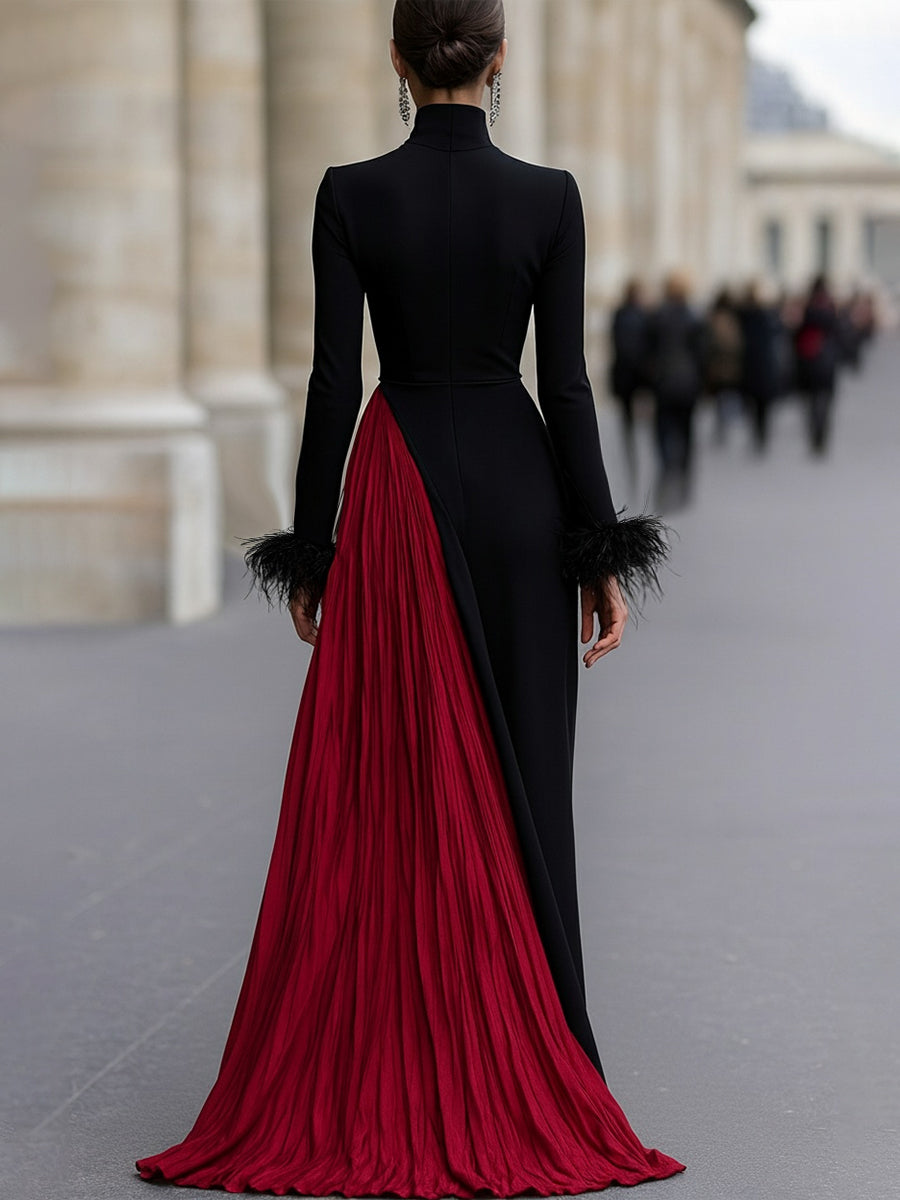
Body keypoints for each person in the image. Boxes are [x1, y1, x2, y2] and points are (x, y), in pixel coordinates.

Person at [134, 2, 684, 1194]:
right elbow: (573, 388)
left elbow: (336, 379)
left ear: (395, 61)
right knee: (533, 782)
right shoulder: (550, 197)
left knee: (391, 778)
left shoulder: (348, 193)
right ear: (499, 60)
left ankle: (396, 1038)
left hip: (397, 490)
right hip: (519, 481)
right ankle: (559, 1061)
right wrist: (597, 549)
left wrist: (314, 546)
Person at [645, 270, 705, 510]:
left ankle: (668, 465)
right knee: (686, 430)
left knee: (663, 428)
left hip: (664, 382)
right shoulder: (694, 318)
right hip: (688, 383)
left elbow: (647, 353)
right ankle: (683, 473)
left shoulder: (657, 318)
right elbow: (702, 354)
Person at [608, 277, 649, 488]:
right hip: (637, 376)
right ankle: (635, 458)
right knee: (639, 416)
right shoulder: (643, 315)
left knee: (628, 420)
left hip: (623, 375)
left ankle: (631, 453)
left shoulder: (619, 314)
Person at [794, 274, 841, 455]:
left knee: (813, 403)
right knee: (825, 403)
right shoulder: (830, 309)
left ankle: (815, 436)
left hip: (810, 363)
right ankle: (822, 437)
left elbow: (797, 336)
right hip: (827, 363)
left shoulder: (807, 309)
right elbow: (838, 334)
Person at [737, 280, 783, 453]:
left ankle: (758, 435)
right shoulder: (766, 317)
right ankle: (761, 435)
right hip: (762, 366)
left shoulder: (744, 317)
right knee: (762, 406)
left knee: (754, 405)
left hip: (750, 367)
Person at [702, 287, 744, 445]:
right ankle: (725, 424)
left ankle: (723, 425)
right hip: (725, 365)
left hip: (719, 365)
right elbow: (734, 343)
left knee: (722, 397)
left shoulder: (714, 318)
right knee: (725, 395)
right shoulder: (729, 319)